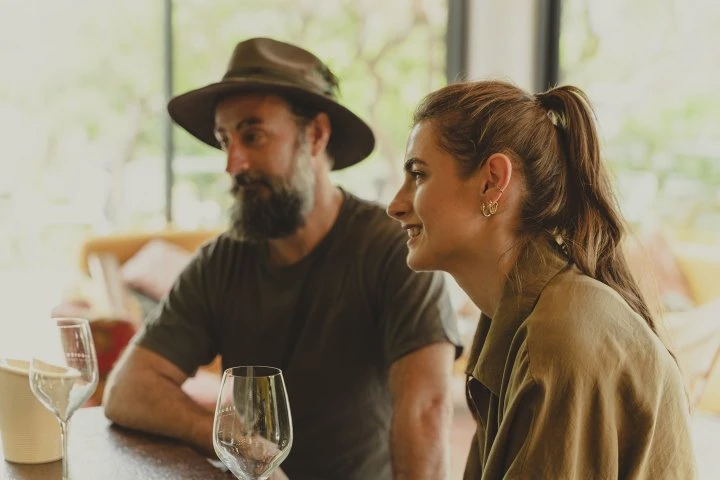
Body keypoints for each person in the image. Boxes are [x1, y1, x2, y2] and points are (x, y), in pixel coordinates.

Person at [103, 37, 461, 480]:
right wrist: (225, 437)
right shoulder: (222, 261)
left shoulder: (393, 251)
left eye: (252, 136)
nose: (232, 163)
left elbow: (426, 410)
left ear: (315, 136)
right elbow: (127, 389)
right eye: (224, 140)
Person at [387, 80, 696, 479]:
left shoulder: (556, 338)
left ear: (493, 181)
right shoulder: (519, 313)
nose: (395, 205)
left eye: (418, 174)